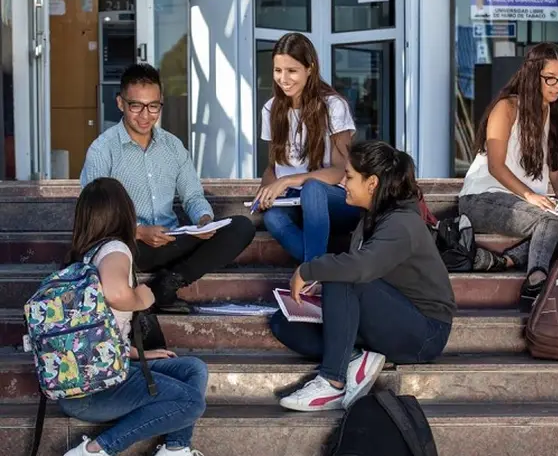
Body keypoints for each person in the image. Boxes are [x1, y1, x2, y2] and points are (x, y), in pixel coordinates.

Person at [59, 177, 220, 456]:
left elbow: (91, 331)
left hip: (82, 381)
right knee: (190, 402)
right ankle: (96, 451)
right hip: (96, 390)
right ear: (124, 212)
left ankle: (175, 451)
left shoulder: (84, 256)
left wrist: (133, 353)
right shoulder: (115, 249)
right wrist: (144, 297)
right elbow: (117, 294)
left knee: (192, 369)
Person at [270, 141, 456, 412]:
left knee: (343, 276)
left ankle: (332, 382)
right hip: (388, 318)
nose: (343, 183)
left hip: (425, 333)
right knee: (285, 324)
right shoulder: (372, 216)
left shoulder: (402, 223)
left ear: (372, 183)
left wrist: (308, 270)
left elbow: (360, 268)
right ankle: (357, 358)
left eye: (349, 176)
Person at [81, 63, 256, 314]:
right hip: (128, 246)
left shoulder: (173, 146)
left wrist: (204, 221)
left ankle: (167, 283)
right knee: (116, 248)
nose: (145, 115)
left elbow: (193, 196)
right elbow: (94, 216)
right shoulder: (102, 150)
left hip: (171, 239)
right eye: (136, 106)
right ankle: (158, 286)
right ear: (120, 103)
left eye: (153, 106)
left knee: (241, 227)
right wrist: (139, 232)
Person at [458, 43, 558, 309]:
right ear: (532, 75)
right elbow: (495, 166)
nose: (557, 85)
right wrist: (529, 195)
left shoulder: (555, 111)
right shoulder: (506, 107)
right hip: (482, 198)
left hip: (524, 203)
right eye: (550, 78)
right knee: (549, 221)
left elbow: (556, 169)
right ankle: (535, 282)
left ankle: (506, 260)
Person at [253, 32, 360, 263]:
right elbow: (273, 167)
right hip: (293, 201)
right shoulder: (271, 109)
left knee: (312, 188)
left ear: (309, 69)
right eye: (278, 70)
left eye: (292, 71)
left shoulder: (333, 106)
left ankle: (313, 272)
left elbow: (340, 170)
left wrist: (288, 180)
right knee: (273, 218)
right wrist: (266, 190)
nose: (283, 79)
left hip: (333, 200)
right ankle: (320, 268)